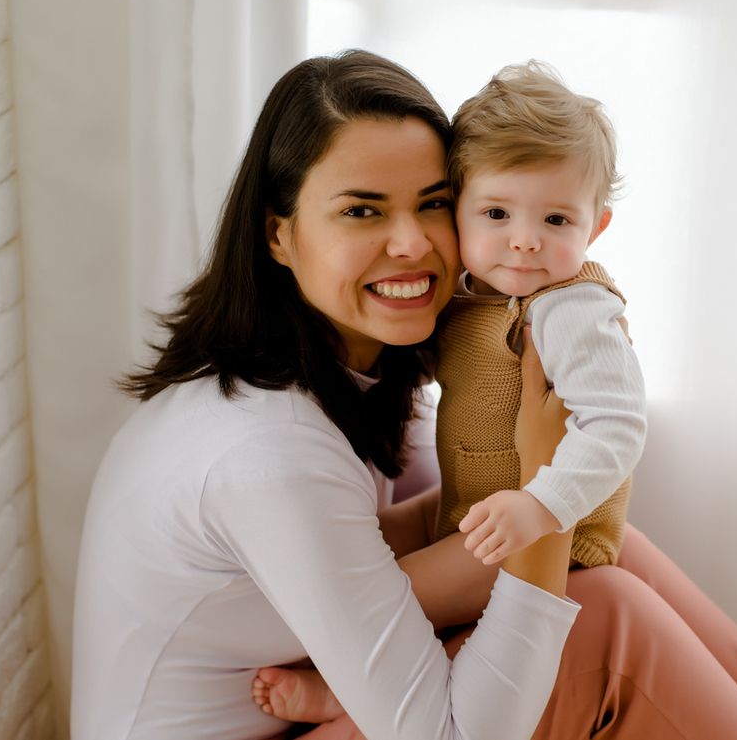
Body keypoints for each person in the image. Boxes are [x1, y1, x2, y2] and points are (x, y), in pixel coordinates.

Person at [71, 50, 581, 740]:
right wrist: (556, 493)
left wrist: (545, 487)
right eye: (362, 210)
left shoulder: (326, 378)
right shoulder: (267, 448)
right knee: (603, 625)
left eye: (433, 203)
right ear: (279, 234)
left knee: (607, 560)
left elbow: (370, 553)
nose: (410, 242)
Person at [433, 61, 645, 570]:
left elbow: (617, 422)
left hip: (559, 539)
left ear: (594, 228)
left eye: (556, 219)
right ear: (454, 208)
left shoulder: (567, 305)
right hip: (486, 525)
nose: (526, 239)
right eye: (497, 214)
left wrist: (543, 505)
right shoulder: (466, 296)